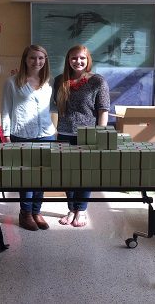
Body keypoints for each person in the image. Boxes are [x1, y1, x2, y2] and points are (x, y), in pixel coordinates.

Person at [51, 44, 110, 227]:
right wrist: (54, 131)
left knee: (85, 174)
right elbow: (55, 108)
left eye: (82, 58)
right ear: (68, 60)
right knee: (67, 174)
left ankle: (81, 210)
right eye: (74, 58)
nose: (78, 61)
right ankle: (71, 209)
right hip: (64, 133)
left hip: (88, 135)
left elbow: (103, 110)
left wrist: (100, 134)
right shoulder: (60, 80)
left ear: (88, 60)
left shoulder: (98, 81)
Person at [1, 44, 56, 231]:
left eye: (41, 58)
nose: (37, 61)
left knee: (42, 176)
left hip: (46, 135)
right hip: (22, 135)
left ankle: (36, 211)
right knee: (26, 176)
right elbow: (6, 109)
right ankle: (25, 213)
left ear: (45, 60)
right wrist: (6, 134)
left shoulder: (49, 82)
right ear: (25, 59)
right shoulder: (12, 82)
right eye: (33, 57)